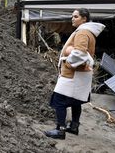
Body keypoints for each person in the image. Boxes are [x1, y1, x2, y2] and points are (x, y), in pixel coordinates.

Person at [45, 8, 105, 140]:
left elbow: (80, 53)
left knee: (59, 100)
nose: (72, 18)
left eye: (76, 16)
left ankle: (60, 130)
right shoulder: (87, 31)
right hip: (81, 73)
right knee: (76, 101)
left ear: (84, 19)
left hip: (73, 74)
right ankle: (74, 126)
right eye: (72, 16)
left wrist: (69, 63)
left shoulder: (83, 32)